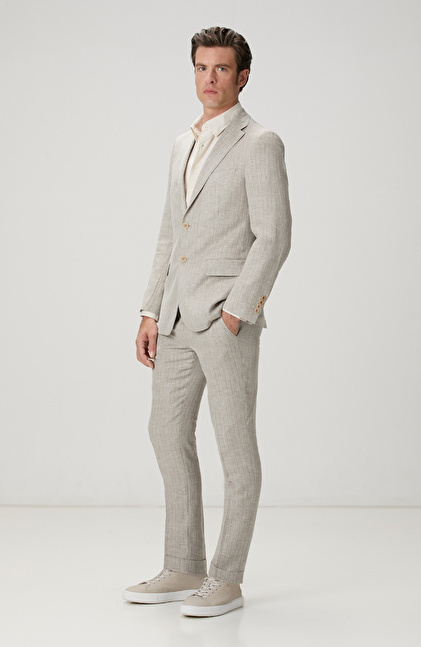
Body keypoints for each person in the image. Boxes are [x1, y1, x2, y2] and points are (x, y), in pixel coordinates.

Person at [123, 26, 292, 617]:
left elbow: (274, 236)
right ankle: (183, 564)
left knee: (235, 450)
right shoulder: (182, 144)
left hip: (225, 321)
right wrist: (150, 309)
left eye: (221, 68)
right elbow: (170, 235)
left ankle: (226, 577)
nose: (210, 78)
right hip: (174, 319)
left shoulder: (260, 142)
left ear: (242, 76)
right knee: (166, 434)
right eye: (201, 67)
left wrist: (236, 313)